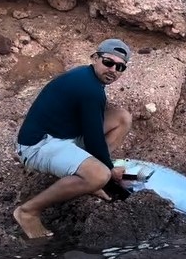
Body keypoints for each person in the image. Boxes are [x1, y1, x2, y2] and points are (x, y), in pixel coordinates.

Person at [13, 38, 134, 239]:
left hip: (63, 134)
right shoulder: (88, 88)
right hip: (38, 145)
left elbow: (91, 128)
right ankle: (28, 212)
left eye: (120, 67)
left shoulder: (88, 78)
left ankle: (88, 179)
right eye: (108, 62)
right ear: (95, 58)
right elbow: (94, 138)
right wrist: (109, 171)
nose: (113, 69)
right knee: (99, 175)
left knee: (122, 118)